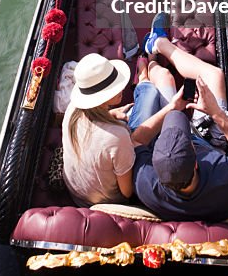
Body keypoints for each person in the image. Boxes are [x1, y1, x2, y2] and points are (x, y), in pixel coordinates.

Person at [129, 19, 228, 222]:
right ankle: (161, 44)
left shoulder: (147, 184)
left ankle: (152, 54)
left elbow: (135, 141)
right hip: (210, 142)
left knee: (164, 77)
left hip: (180, 143)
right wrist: (216, 113)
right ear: (197, 164)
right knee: (213, 75)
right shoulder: (227, 178)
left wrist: (172, 107)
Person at [62, 52, 181, 206]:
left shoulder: (72, 110)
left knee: (150, 95)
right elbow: (127, 191)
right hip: (111, 201)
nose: (121, 87)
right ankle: (145, 78)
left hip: (79, 195)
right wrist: (173, 108)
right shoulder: (117, 136)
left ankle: (144, 79)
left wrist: (111, 114)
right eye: (114, 86)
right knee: (152, 94)